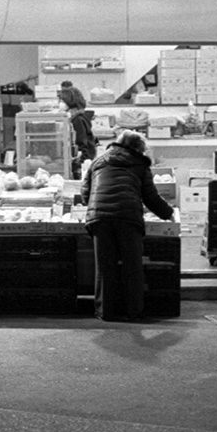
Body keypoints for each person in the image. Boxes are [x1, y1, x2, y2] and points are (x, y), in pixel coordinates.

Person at [80, 129, 175, 322]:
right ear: (138, 149)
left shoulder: (98, 161)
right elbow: (151, 197)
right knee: (133, 266)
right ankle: (134, 311)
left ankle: (104, 312)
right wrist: (169, 214)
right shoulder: (140, 165)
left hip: (100, 219)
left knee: (104, 267)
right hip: (128, 218)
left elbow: (85, 194)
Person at [58, 82, 97, 178]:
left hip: (82, 164)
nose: (60, 104)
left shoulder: (77, 120)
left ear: (70, 102)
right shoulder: (79, 117)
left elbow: (82, 145)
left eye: (62, 101)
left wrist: (78, 166)